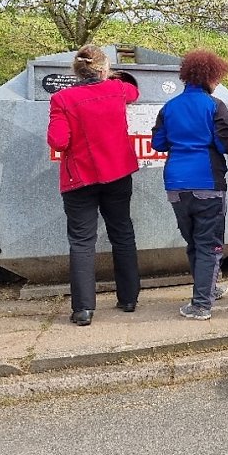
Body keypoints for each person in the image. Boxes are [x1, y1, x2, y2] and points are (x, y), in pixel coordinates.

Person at [151, 50, 228, 321]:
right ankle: (201, 305)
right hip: (207, 183)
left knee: (194, 242)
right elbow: (224, 143)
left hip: (175, 185)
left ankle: (208, 289)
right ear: (210, 77)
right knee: (209, 244)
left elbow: (159, 143)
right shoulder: (215, 105)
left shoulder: (168, 107)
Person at [46, 45, 141, 327]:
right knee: (122, 232)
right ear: (103, 69)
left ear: (77, 70)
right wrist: (115, 77)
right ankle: (128, 299)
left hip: (80, 179)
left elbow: (58, 141)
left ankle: (83, 309)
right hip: (118, 173)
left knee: (82, 241)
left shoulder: (62, 98)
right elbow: (134, 92)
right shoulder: (118, 90)